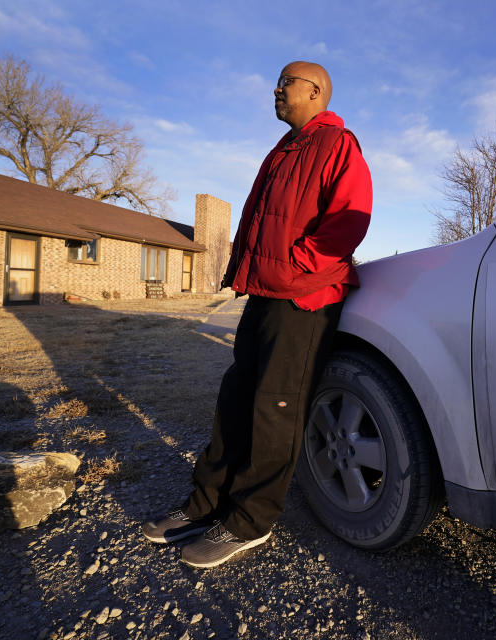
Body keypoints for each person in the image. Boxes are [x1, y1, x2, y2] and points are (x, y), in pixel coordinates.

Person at [141, 61, 372, 568]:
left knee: (275, 409)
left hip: (304, 298)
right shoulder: (283, 150)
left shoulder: (338, 144)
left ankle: (249, 522)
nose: (276, 89)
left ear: (316, 91)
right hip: (264, 291)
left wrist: (296, 270)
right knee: (237, 398)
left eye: (286, 82)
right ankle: (204, 506)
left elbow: (350, 220)